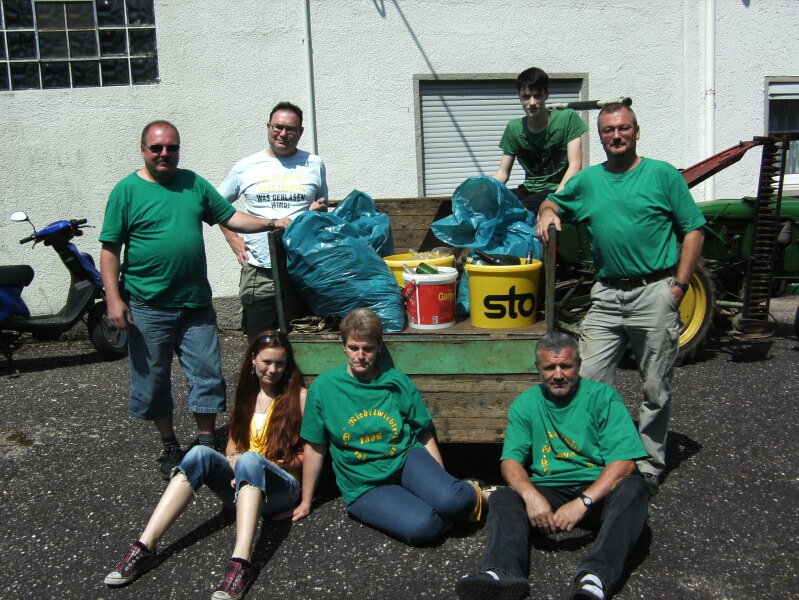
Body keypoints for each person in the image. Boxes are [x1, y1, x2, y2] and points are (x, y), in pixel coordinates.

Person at [536, 103, 706, 494]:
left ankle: (647, 465)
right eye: (608, 130)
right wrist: (546, 213)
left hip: (654, 291)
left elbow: (694, 230)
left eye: (624, 128)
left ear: (637, 131)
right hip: (608, 294)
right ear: (600, 137)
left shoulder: (662, 175)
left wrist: (679, 286)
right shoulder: (589, 181)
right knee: (586, 379)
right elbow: (552, 200)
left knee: (655, 387)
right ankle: (592, 457)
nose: (617, 135)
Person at [100, 120, 280, 479]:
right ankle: (169, 444)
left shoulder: (194, 184)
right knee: (153, 381)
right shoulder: (126, 191)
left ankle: (207, 444)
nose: (164, 153)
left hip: (195, 304)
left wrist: (273, 222)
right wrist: (113, 299)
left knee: (207, 375)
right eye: (157, 148)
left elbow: (232, 217)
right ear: (143, 150)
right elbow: (110, 250)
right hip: (147, 305)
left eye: (172, 147)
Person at [103, 331, 306, 600]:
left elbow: (313, 453)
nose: (273, 370)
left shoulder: (299, 397)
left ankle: (241, 563)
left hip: (282, 489)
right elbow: (233, 447)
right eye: (267, 362)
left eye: (280, 363)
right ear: (253, 360)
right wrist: (236, 461)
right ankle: (145, 547)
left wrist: (279, 467)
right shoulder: (247, 396)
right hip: (244, 485)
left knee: (251, 459)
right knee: (200, 453)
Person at [455, 333, 649, 600]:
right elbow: (510, 462)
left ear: (578, 364)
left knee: (634, 487)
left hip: (596, 489)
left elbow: (624, 462)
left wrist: (583, 502)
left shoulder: (603, 398)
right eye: (550, 367)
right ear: (538, 368)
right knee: (505, 496)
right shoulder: (526, 403)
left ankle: (595, 579)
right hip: (548, 488)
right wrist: (531, 496)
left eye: (565, 366)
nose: (558, 374)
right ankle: (501, 572)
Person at [292, 307, 488, 545]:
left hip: (405, 460)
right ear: (343, 346)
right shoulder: (323, 388)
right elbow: (315, 447)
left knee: (453, 501)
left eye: (368, 348)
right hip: (365, 484)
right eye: (354, 347)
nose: (360, 355)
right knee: (425, 526)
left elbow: (423, 433)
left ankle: (479, 494)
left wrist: (443, 482)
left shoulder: (395, 381)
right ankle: (438, 509)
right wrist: (306, 501)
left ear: (379, 347)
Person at [217, 102, 328, 341]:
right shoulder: (245, 167)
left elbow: (321, 208)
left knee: (304, 338)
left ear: (300, 132)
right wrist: (232, 238)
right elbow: (215, 205)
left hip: (302, 269)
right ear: (268, 126)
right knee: (260, 342)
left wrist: (316, 211)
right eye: (278, 127)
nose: (283, 134)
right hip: (261, 271)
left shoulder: (314, 164)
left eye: (291, 129)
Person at [492, 67, 587, 214]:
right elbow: (502, 173)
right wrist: (480, 191)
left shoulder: (568, 118)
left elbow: (575, 167)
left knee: (518, 211)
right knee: (492, 205)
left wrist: (554, 201)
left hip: (558, 188)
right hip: (529, 190)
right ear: (519, 97)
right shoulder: (514, 128)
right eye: (526, 96)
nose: (532, 102)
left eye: (537, 96)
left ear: (546, 94)